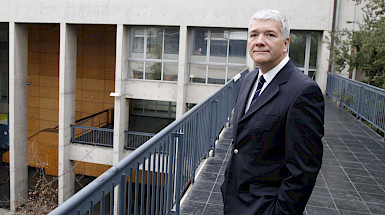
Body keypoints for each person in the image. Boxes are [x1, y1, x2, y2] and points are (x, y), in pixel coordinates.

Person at [221, 9, 324, 215]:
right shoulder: (249, 79)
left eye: (269, 35)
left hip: (265, 208)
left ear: (285, 43)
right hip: (235, 201)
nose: (259, 41)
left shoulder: (303, 91)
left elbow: (303, 170)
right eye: (254, 35)